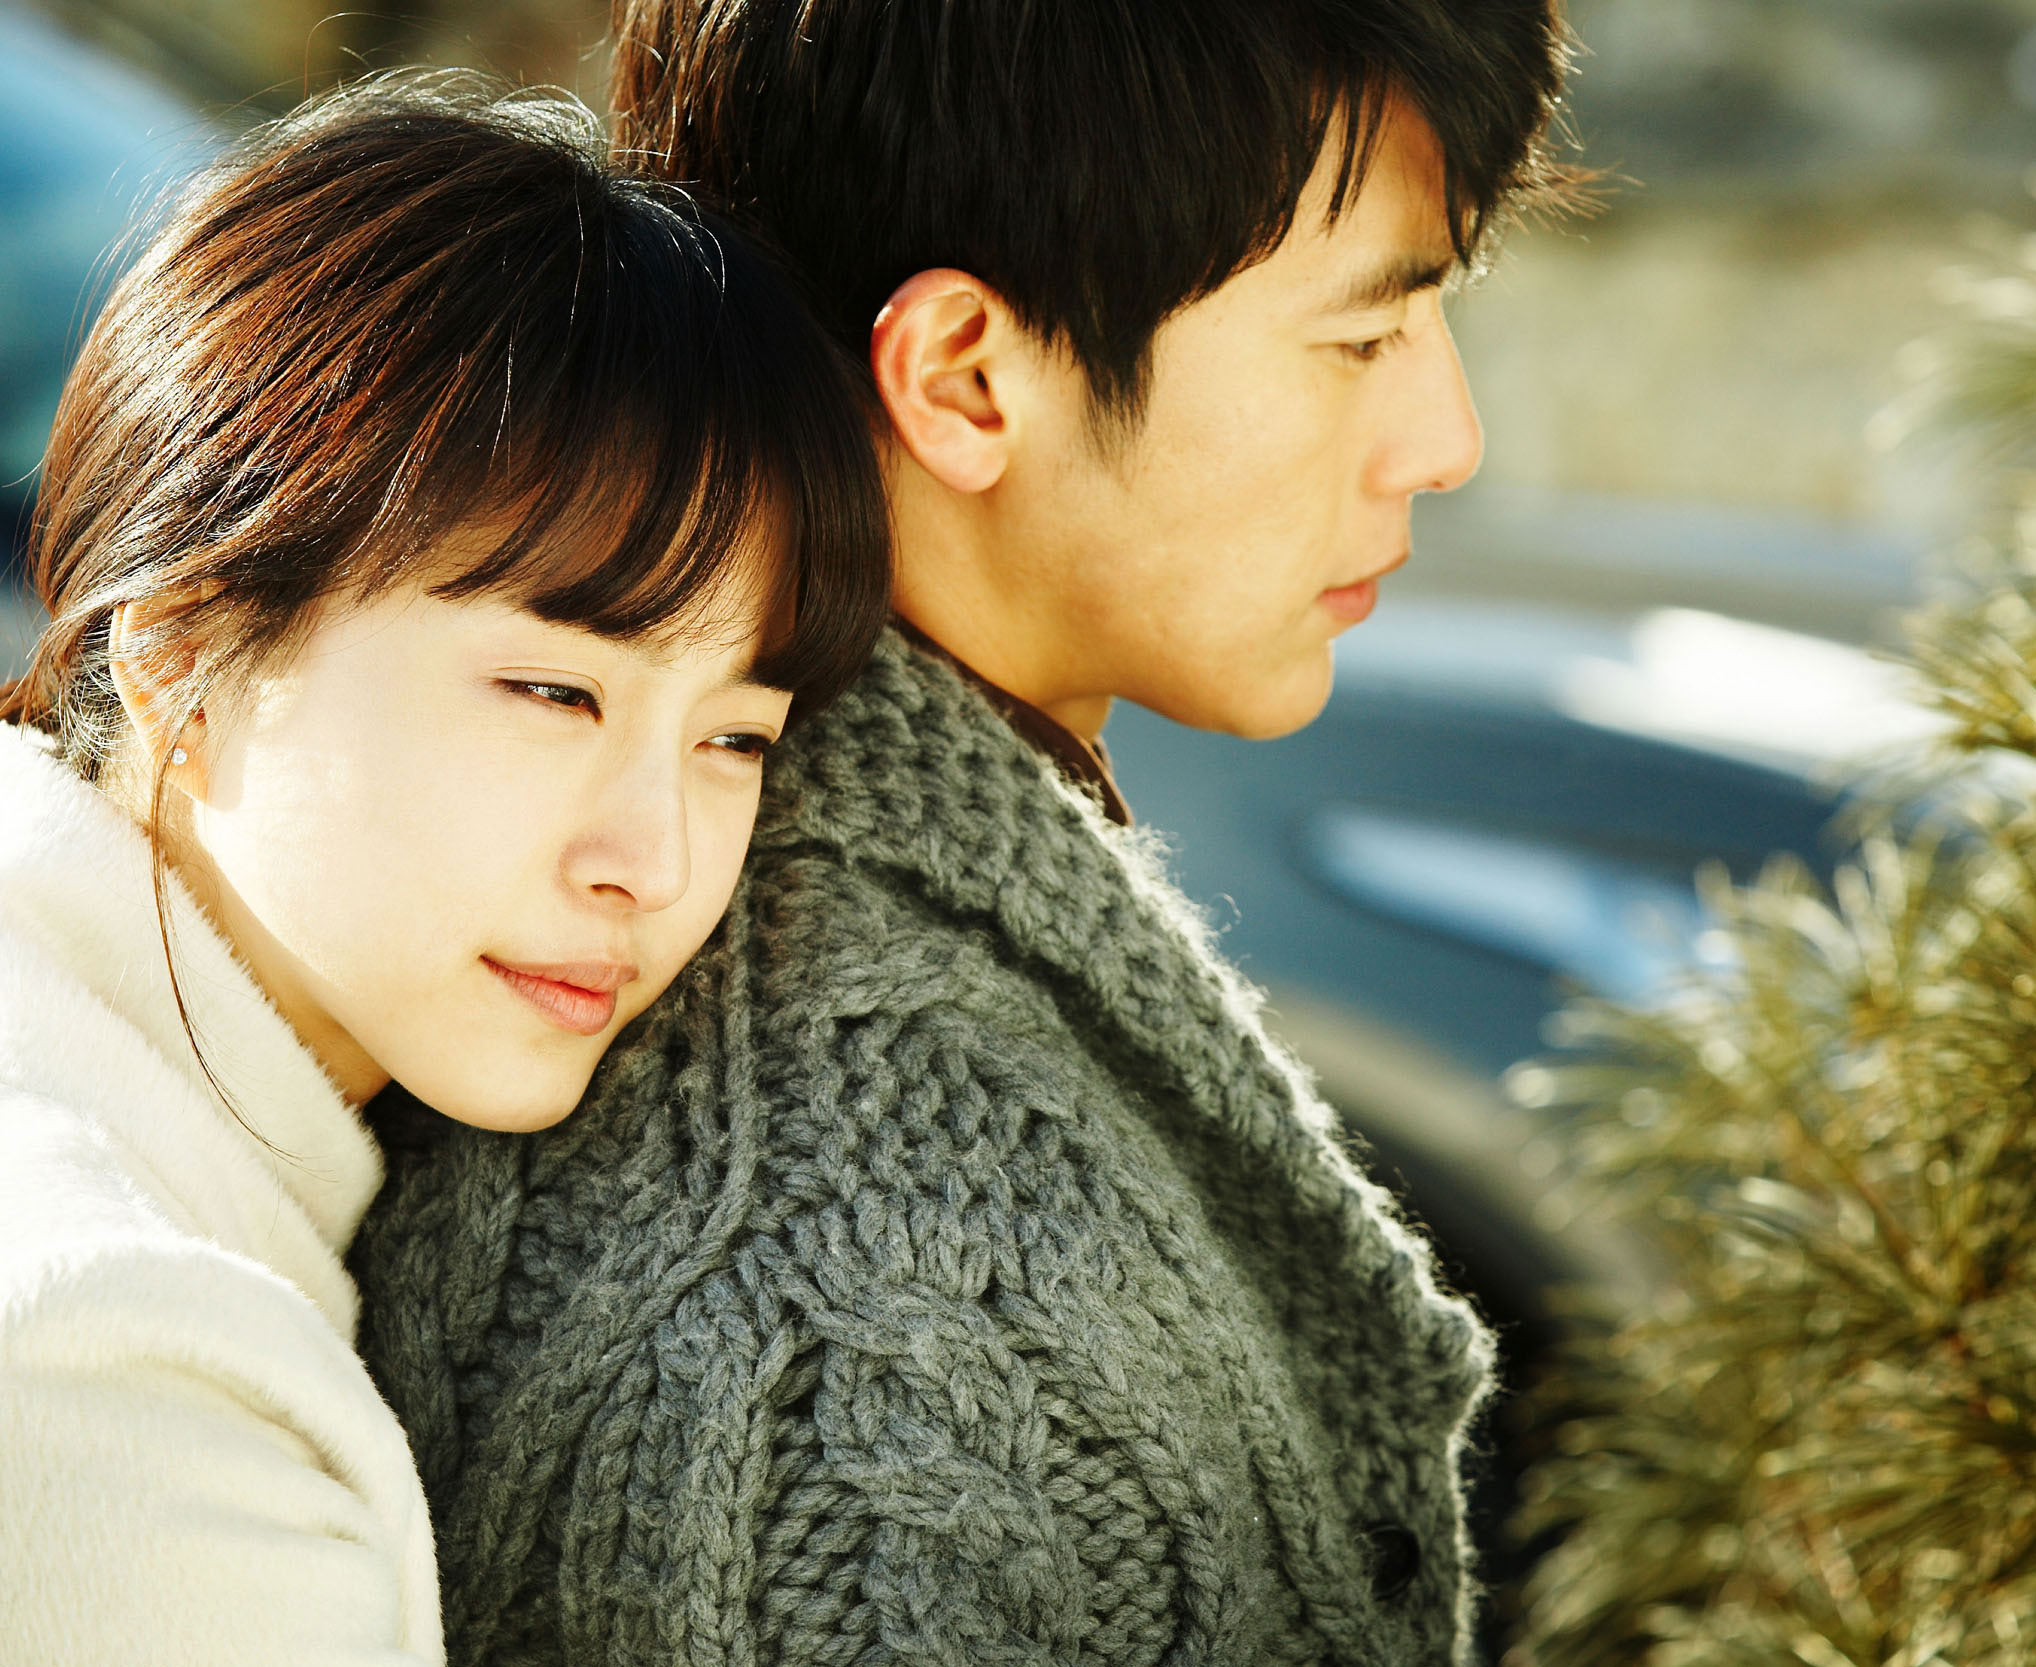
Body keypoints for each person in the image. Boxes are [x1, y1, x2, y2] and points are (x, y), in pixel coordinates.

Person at [350, 3, 1580, 1662]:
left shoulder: (880, 974)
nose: (1448, 441)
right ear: (965, 380)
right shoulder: (848, 1302)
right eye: (1363, 336)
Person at [0, 76, 887, 1666]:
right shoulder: (116, 1368)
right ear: (184, 650)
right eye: (555, 693)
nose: (657, 862)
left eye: (736, 737)